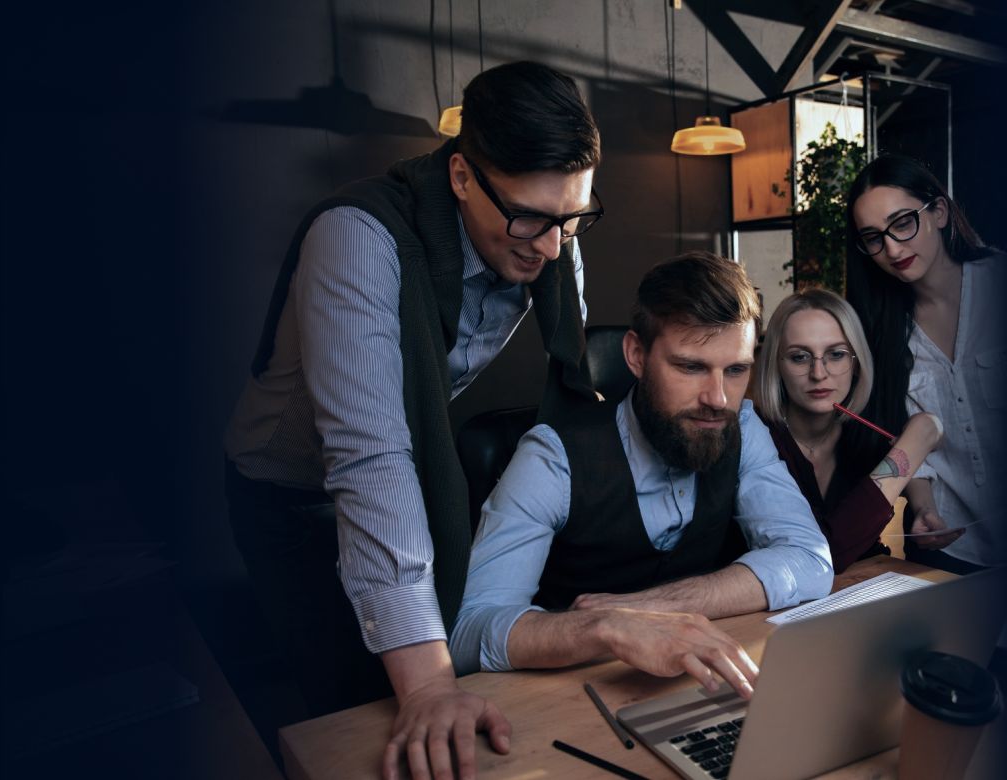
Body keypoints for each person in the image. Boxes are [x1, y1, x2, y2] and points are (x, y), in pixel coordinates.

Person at [224, 61, 603, 780]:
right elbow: (371, 458)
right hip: (288, 492)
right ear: (461, 177)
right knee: (352, 713)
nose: (552, 248)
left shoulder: (550, 232)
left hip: (404, 465)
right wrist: (430, 684)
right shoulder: (355, 236)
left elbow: (576, 370)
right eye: (528, 216)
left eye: (571, 218)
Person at [449, 252, 832, 698]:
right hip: (571, 701)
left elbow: (809, 557)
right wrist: (601, 627)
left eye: (735, 370)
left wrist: (647, 607)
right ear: (635, 354)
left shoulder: (742, 426)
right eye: (690, 367)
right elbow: (468, 632)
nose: (718, 398)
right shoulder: (552, 457)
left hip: (700, 686)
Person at [845, 154, 1006, 574]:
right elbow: (910, 441)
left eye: (902, 223)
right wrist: (925, 511)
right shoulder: (880, 332)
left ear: (938, 212)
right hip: (950, 551)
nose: (893, 249)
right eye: (874, 238)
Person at [751, 289, 956, 573]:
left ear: (856, 363)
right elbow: (821, 555)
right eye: (799, 357)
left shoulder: (867, 432)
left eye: (836, 354)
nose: (819, 373)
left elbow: (913, 473)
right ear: (776, 366)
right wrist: (916, 443)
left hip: (864, 592)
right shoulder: (754, 436)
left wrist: (925, 509)